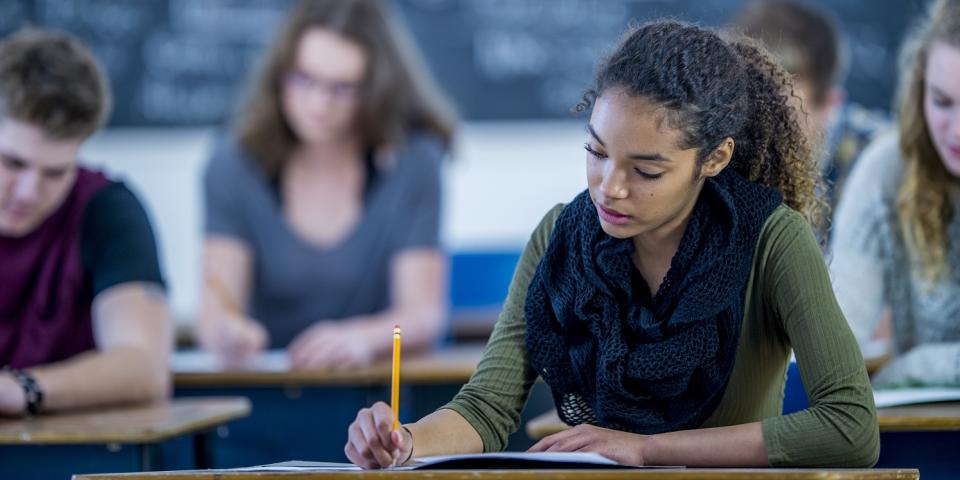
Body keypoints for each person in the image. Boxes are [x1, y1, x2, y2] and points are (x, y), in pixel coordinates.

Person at [345, 21, 879, 468]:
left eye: (647, 170)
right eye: (597, 153)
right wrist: (405, 441)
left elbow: (850, 427)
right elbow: (487, 408)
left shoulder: (770, 237)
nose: (610, 186)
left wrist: (648, 450)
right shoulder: (559, 236)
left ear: (713, 159)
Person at [198, 0, 456, 369]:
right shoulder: (232, 164)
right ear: (279, 73)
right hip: (264, 391)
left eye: (343, 88)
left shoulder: (414, 162)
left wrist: (361, 339)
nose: (318, 104)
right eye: (304, 79)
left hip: (374, 394)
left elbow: (423, 314)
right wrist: (227, 332)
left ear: (375, 88)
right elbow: (217, 313)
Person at [0, 29, 171, 416]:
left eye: (55, 172)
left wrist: (20, 389)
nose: (28, 192)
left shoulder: (108, 210)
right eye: (12, 163)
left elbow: (144, 367)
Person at [830, 0, 960, 388]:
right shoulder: (886, 171)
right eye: (941, 102)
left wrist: (909, 369)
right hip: (926, 432)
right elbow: (835, 342)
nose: (955, 132)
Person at [731, 0, 890, 220]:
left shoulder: (884, 164)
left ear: (830, 104)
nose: (756, 130)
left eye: (781, 117)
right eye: (745, 108)